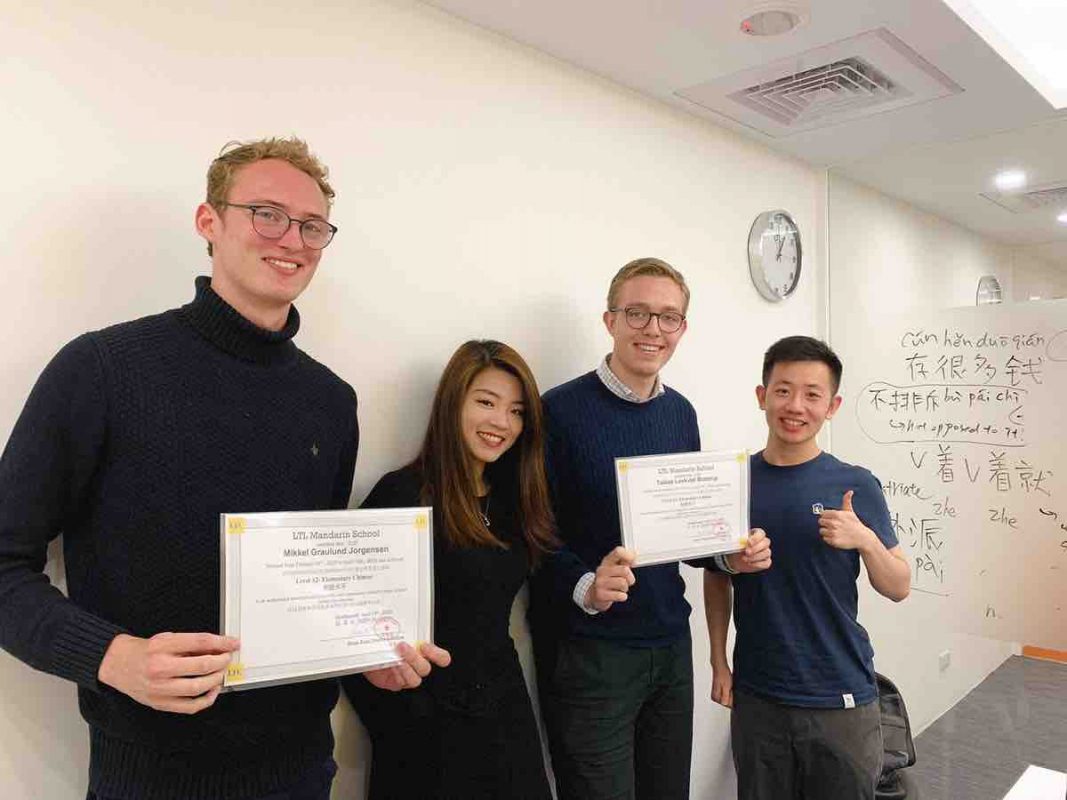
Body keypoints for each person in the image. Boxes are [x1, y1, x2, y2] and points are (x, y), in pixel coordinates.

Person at [0, 137, 447, 800]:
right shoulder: (103, 369)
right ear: (209, 222)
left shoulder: (330, 403)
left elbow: (305, 588)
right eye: (266, 214)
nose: (291, 239)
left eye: (312, 226)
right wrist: (108, 656)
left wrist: (362, 658)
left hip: (299, 769)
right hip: (148, 775)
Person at [530, 257, 772, 800]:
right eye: (637, 313)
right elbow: (534, 533)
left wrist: (729, 556)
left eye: (668, 318)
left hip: (668, 644)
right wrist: (586, 585)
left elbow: (683, 533)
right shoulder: (558, 412)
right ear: (610, 320)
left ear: (682, 329)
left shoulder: (681, 414)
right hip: (592, 652)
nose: (652, 330)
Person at [344, 339, 557, 799]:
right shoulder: (402, 494)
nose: (502, 423)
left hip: (504, 717)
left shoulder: (515, 500)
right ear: (451, 403)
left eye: (517, 411)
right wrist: (403, 717)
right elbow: (346, 623)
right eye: (486, 402)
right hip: (425, 731)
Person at [704, 335, 910, 800]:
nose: (795, 406)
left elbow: (898, 585)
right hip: (758, 694)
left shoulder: (854, 484)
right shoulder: (734, 481)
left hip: (840, 694)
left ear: (832, 406)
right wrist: (718, 661)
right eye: (783, 390)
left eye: (812, 394)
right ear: (762, 396)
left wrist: (865, 540)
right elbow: (716, 575)